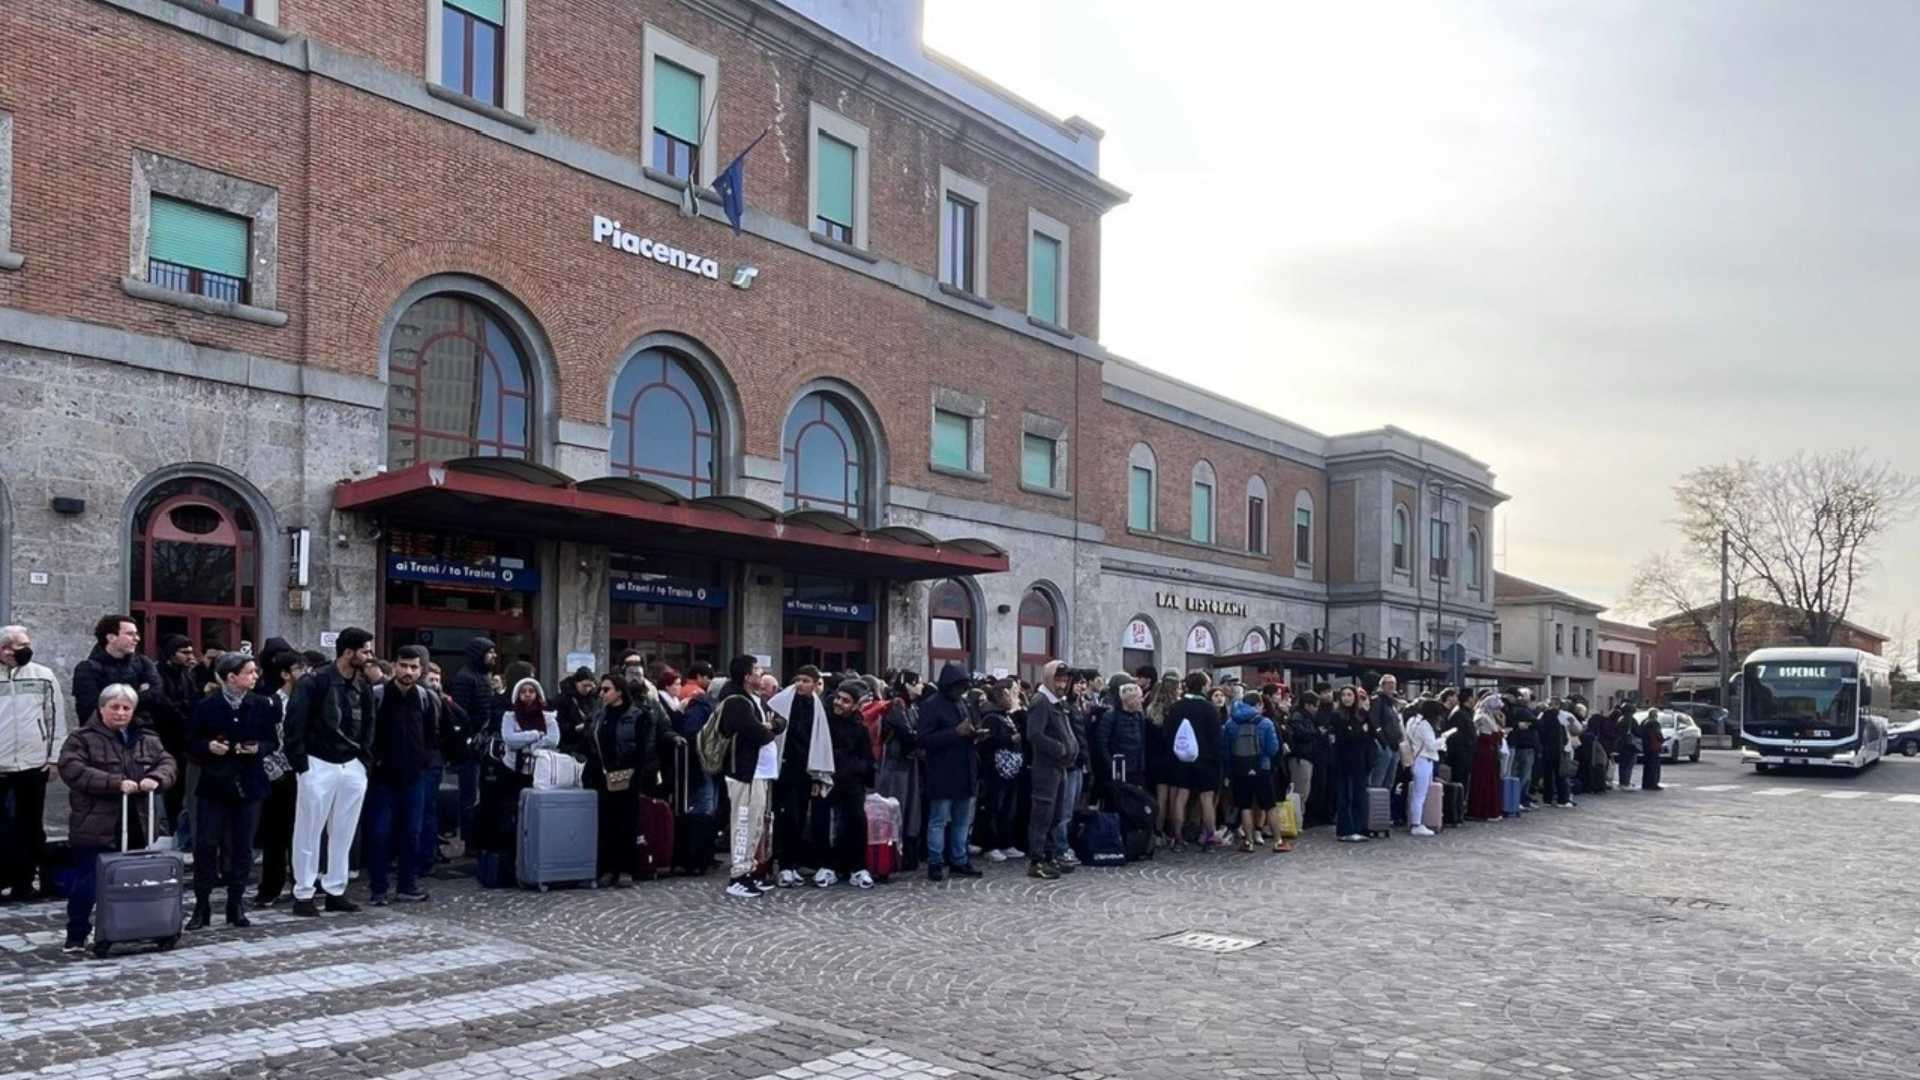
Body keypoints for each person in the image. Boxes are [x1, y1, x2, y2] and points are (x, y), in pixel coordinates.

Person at [57, 684, 177, 952]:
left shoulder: (146, 738)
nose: (121, 713)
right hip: (96, 823)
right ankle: (77, 934)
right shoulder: (82, 738)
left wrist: (155, 778)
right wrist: (115, 783)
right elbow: (72, 769)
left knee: (135, 880)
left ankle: (136, 926)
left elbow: (167, 763)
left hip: (137, 821)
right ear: (101, 709)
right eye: (115, 707)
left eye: (126, 708)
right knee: (88, 881)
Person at [284, 627, 376, 917]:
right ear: (349, 652)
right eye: (365, 651)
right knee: (308, 831)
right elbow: (294, 724)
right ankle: (304, 892)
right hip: (318, 762)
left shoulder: (362, 685)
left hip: (352, 764)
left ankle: (336, 888)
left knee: (345, 831)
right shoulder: (314, 681)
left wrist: (363, 762)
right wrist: (302, 765)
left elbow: (370, 723)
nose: (370, 656)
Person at [185, 652, 278, 928]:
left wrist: (257, 748)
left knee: (243, 846)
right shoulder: (206, 705)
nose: (255, 676)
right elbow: (190, 741)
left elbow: (271, 741)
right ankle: (201, 905)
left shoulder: (260, 704)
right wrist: (208, 747)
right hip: (215, 783)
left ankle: (235, 904)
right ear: (231, 677)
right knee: (206, 844)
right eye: (249, 672)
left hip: (249, 783)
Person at [364, 646, 439, 906]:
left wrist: (424, 761)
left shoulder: (425, 698)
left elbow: (431, 733)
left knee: (412, 833)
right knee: (379, 833)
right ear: (395, 666)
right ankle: (378, 888)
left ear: (421, 670)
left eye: (414, 667)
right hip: (383, 777)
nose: (408, 671)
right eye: (404, 666)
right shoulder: (378, 695)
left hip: (415, 776)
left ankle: (407, 885)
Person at [1, 625, 66, 902]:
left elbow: (55, 719)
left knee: (30, 827)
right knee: (3, 828)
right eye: (21, 645)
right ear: (4, 650)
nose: (27, 649)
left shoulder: (43, 676)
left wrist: (54, 758)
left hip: (33, 764)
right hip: (1, 764)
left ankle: (25, 883)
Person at [713, 657, 783, 897]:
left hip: (760, 772)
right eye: (757, 670)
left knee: (756, 824)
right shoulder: (736, 701)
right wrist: (768, 728)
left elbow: (780, 721)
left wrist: (770, 725)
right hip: (744, 772)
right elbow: (756, 733)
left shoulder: (757, 699)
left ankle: (750, 871)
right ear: (746, 676)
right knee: (743, 823)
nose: (761, 673)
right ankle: (738, 877)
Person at [919, 662, 982, 882]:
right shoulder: (931, 705)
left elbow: (965, 730)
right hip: (942, 771)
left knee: (962, 820)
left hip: (964, 768)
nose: (961, 692)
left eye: (964, 688)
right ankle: (935, 862)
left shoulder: (962, 703)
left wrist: (975, 734)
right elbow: (924, 739)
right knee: (939, 819)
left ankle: (959, 859)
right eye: (958, 687)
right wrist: (955, 733)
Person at [251, 647, 305, 907]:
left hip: (304, 773)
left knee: (302, 833)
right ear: (285, 674)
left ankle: (302, 882)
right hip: (279, 776)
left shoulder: (308, 700)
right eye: (299, 669)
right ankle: (270, 886)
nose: (305, 674)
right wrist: (274, 772)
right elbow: (263, 742)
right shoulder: (271, 703)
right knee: (275, 834)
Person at [812, 679, 876, 888]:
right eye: (838, 698)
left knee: (856, 821)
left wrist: (858, 770)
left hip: (852, 782)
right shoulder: (824, 722)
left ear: (856, 705)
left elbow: (867, 757)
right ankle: (826, 865)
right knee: (825, 823)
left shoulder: (860, 727)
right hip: (827, 780)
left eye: (845, 701)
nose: (839, 703)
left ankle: (857, 867)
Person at [586, 675, 649, 888]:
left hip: (628, 775)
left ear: (619, 691)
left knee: (627, 822)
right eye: (601, 690)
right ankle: (607, 868)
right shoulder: (600, 715)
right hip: (603, 775)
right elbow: (593, 743)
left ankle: (626, 869)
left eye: (607, 689)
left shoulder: (637, 715)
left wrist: (635, 773)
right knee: (606, 823)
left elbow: (643, 748)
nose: (602, 694)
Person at [445, 636, 501, 855]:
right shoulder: (465, 678)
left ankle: (478, 839)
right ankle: (470, 842)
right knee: (469, 796)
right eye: (490, 652)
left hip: (484, 745)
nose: (494, 655)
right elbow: (461, 713)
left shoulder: (484, 676)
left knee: (481, 794)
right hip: (471, 748)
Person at [1024, 661, 1078, 880]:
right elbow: (1034, 734)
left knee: (1056, 814)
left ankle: (1049, 855)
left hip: (1060, 767)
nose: (1062, 685)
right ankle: (1036, 860)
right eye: (1058, 680)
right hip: (1046, 768)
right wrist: (1059, 748)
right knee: (1042, 814)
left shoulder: (1057, 703)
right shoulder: (1041, 701)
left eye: (1065, 680)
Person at [772, 666, 824, 887]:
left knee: (800, 817)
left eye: (806, 680)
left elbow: (820, 740)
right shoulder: (784, 702)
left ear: (815, 684)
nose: (801, 684)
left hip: (805, 769)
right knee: (787, 817)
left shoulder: (816, 706)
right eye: (798, 680)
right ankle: (785, 864)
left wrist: (817, 775)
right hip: (786, 767)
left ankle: (793, 863)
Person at [148, 634, 201, 848]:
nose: (190, 656)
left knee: (182, 793)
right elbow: (163, 705)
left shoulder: (186, 676)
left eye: (191, 651)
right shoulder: (157, 675)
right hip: (164, 740)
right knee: (167, 790)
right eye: (184, 652)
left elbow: (193, 702)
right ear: (171, 654)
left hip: (184, 741)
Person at [71, 615, 162, 736]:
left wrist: (111, 701)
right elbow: (89, 710)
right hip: (101, 737)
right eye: (130, 634)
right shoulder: (88, 669)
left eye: (136, 634)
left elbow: (157, 695)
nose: (137, 639)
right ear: (111, 637)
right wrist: (137, 696)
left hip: (140, 734)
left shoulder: (144, 663)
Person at [1165, 671, 1224, 852]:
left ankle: (1177, 838)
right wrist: (1218, 760)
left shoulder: (1176, 707)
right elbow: (1216, 738)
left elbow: (1168, 733)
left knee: (1181, 797)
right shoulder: (1209, 708)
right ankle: (1209, 839)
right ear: (1203, 686)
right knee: (1207, 799)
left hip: (1181, 758)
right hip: (1206, 759)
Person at [875, 671, 923, 866]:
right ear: (908, 685)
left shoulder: (911, 706)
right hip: (897, 764)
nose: (921, 687)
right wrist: (921, 737)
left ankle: (904, 855)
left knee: (909, 809)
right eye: (918, 683)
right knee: (898, 808)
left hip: (907, 763)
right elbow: (907, 733)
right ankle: (893, 856)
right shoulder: (898, 705)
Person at [1222, 691, 1280, 853]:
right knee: (1270, 806)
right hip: (1262, 768)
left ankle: (1248, 842)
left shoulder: (1231, 723)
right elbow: (1273, 749)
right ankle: (1278, 841)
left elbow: (1226, 750)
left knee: (1245, 806)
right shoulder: (1266, 722)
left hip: (1240, 769)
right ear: (1259, 705)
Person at [976, 683, 1024, 863]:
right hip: (995, 770)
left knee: (1008, 808)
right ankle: (990, 844)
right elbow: (985, 743)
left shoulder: (1007, 716)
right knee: (993, 807)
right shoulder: (991, 718)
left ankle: (1005, 841)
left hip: (1010, 770)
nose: (1016, 697)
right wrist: (1008, 739)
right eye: (1013, 693)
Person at [1331, 685, 1373, 841]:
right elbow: (1346, 736)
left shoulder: (1361, 714)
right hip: (1343, 761)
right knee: (1345, 796)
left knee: (1359, 795)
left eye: (1349, 695)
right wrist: (1360, 731)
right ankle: (1345, 830)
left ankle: (1359, 827)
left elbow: (1370, 733)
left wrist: (1360, 731)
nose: (1346, 698)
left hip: (1360, 760)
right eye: (1344, 695)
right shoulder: (1337, 716)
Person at [1091, 678, 1147, 790]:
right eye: (1139, 698)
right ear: (1129, 700)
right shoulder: (1111, 717)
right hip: (1117, 768)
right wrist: (1112, 765)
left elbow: (1143, 742)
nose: (1142, 701)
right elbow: (1102, 744)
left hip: (1135, 770)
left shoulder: (1139, 717)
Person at [1405, 699, 1443, 837]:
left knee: (1418, 794)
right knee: (1420, 795)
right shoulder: (1425, 725)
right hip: (1424, 759)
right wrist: (1443, 739)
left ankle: (1417, 822)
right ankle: (1416, 824)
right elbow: (1431, 745)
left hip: (1417, 758)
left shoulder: (1412, 721)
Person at [1465, 692, 1505, 820]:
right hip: (1484, 753)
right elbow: (1484, 736)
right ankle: (1482, 811)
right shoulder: (1482, 717)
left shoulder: (1488, 716)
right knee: (1484, 781)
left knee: (1489, 780)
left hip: (1489, 752)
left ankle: (1488, 810)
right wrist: (1499, 735)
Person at [553, 667, 599, 756]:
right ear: (576, 683)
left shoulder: (594, 698)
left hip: (589, 745)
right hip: (569, 745)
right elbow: (558, 724)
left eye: (590, 686)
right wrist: (573, 727)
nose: (587, 689)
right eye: (584, 686)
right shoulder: (563, 699)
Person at [1368, 675, 1403, 790]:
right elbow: (1374, 723)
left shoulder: (1393, 703)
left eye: (1393, 683)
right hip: (1384, 745)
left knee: (1390, 781)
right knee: (1379, 778)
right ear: (1381, 686)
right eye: (1388, 683)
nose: (1391, 685)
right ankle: (1374, 801)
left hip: (1395, 746)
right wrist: (1384, 742)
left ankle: (1386, 800)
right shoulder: (1377, 700)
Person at [1506, 691, 1539, 810]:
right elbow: (1537, 723)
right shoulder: (1522, 710)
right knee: (1524, 775)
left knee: (1519, 774)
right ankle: (1520, 799)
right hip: (1525, 745)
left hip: (1518, 745)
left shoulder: (1513, 710)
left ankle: (1521, 799)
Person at [1614, 705, 1640, 790]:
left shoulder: (1620, 719)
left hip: (1621, 744)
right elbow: (1637, 732)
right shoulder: (1632, 720)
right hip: (1629, 744)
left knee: (1623, 764)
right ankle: (1626, 782)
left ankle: (1622, 782)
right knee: (1629, 763)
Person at [1638, 708, 1665, 791]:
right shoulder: (1655, 723)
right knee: (1654, 767)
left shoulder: (1644, 722)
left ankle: (1645, 784)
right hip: (1654, 747)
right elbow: (1658, 735)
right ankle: (1653, 784)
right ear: (1655, 715)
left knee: (1647, 766)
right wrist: (1662, 739)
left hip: (1646, 747)